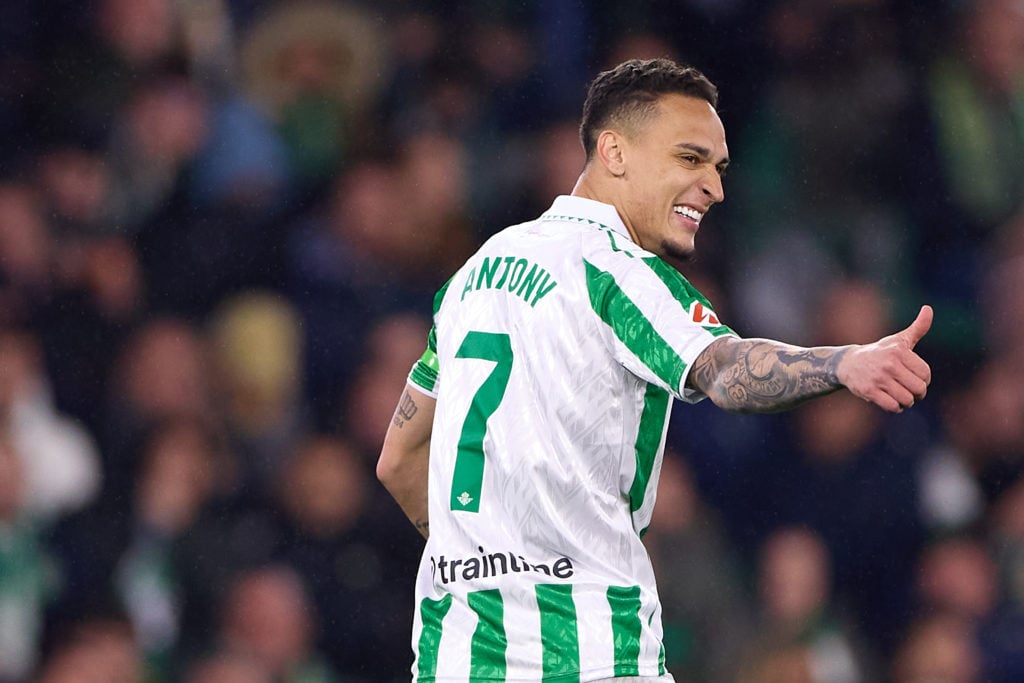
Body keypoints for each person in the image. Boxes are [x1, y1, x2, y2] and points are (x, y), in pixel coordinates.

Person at [377, 58, 933, 682]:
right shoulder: (616, 271)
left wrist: (486, 558)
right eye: (690, 159)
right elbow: (724, 369)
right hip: (590, 656)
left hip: (452, 653)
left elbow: (398, 460)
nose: (715, 188)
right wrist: (845, 361)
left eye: (719, 169)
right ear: (613, 151)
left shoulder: (473, 277)